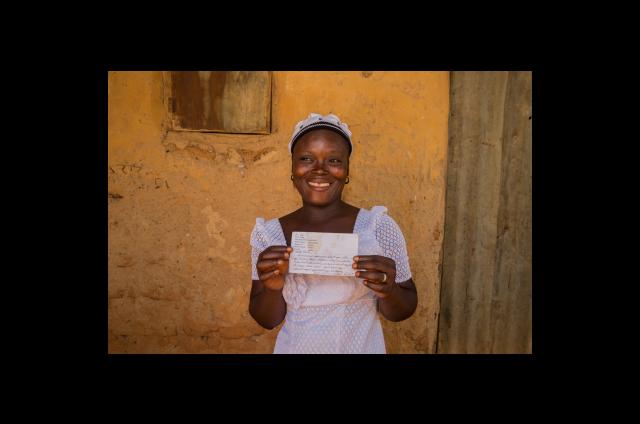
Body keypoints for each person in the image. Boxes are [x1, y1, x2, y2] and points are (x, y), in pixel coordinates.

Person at [249, 112, 418, 354]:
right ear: (292, 168)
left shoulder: (377, 227)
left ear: (347, 170)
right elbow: (267, 320)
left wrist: (388, 290)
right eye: (306, 158)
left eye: (334, 160)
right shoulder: (269, 235)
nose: (319, 170)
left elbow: (404, 309)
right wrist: (272, 287)